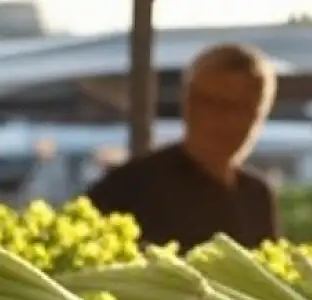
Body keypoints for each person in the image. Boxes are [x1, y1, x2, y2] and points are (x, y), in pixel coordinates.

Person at [84, 43, 279, 251]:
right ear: (187, 103)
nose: (226, 120)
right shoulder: (129, 187)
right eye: (212, 103)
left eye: (241, 108)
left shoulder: (256, 197)